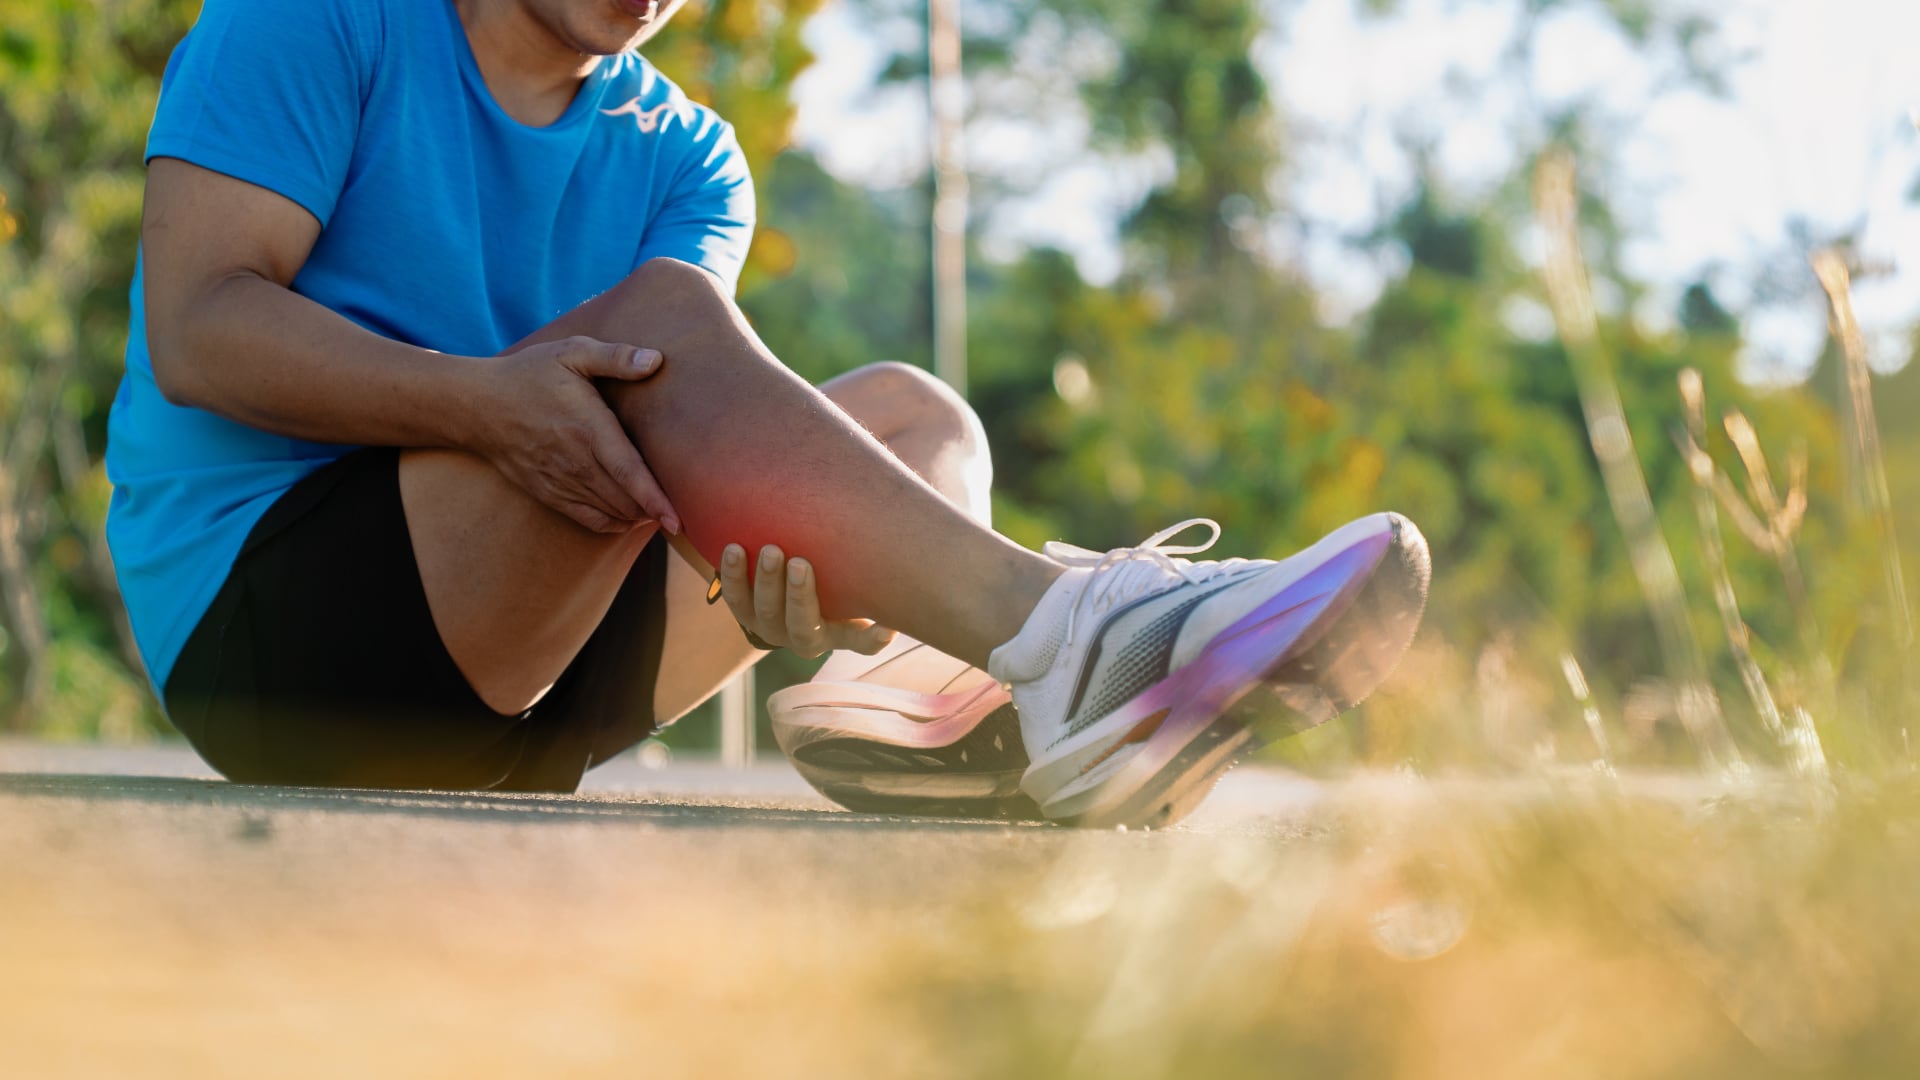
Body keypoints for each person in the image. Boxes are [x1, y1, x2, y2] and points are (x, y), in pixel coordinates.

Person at [105, 0, 1430, 829]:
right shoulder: (311, 19)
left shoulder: (688, 154)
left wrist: (823, 577)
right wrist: (484, 403)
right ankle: (1075, 641)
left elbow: (681, 447)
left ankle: (969, 702)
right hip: (279, 645)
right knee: (662, 331)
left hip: (539, 683)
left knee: (918, 420)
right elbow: (201, 326)